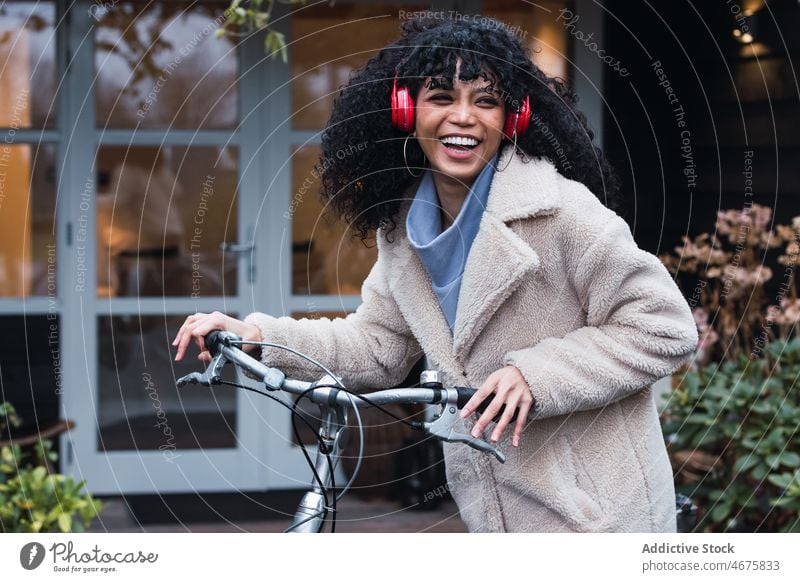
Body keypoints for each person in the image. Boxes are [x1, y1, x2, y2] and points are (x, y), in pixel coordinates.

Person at [172, 15, 699, 532]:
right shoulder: (403, 232)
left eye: (485, 100)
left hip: (597, 519)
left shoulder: (563, 211)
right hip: (495, 514)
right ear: (407, 110)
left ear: (510, 119)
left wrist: (534, 376)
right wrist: (259, 335)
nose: (463, 117)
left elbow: (664, 328)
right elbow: (377, 346)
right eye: (442, 97)